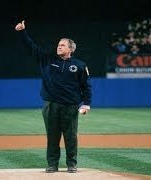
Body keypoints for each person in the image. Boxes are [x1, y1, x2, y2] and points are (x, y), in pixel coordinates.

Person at [15, 20, 92, 173]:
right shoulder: (48, 60)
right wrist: (22, 32)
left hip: (70, 106)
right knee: (52, 136)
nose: (59, 46)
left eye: (62, 45)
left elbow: (86, 86)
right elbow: (32, 48)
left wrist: (86, 103)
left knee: (71, 137)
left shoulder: (80, 65)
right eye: (58, 44)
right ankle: (52, 164)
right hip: (51, 105)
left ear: (70, 49)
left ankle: (72, 164)